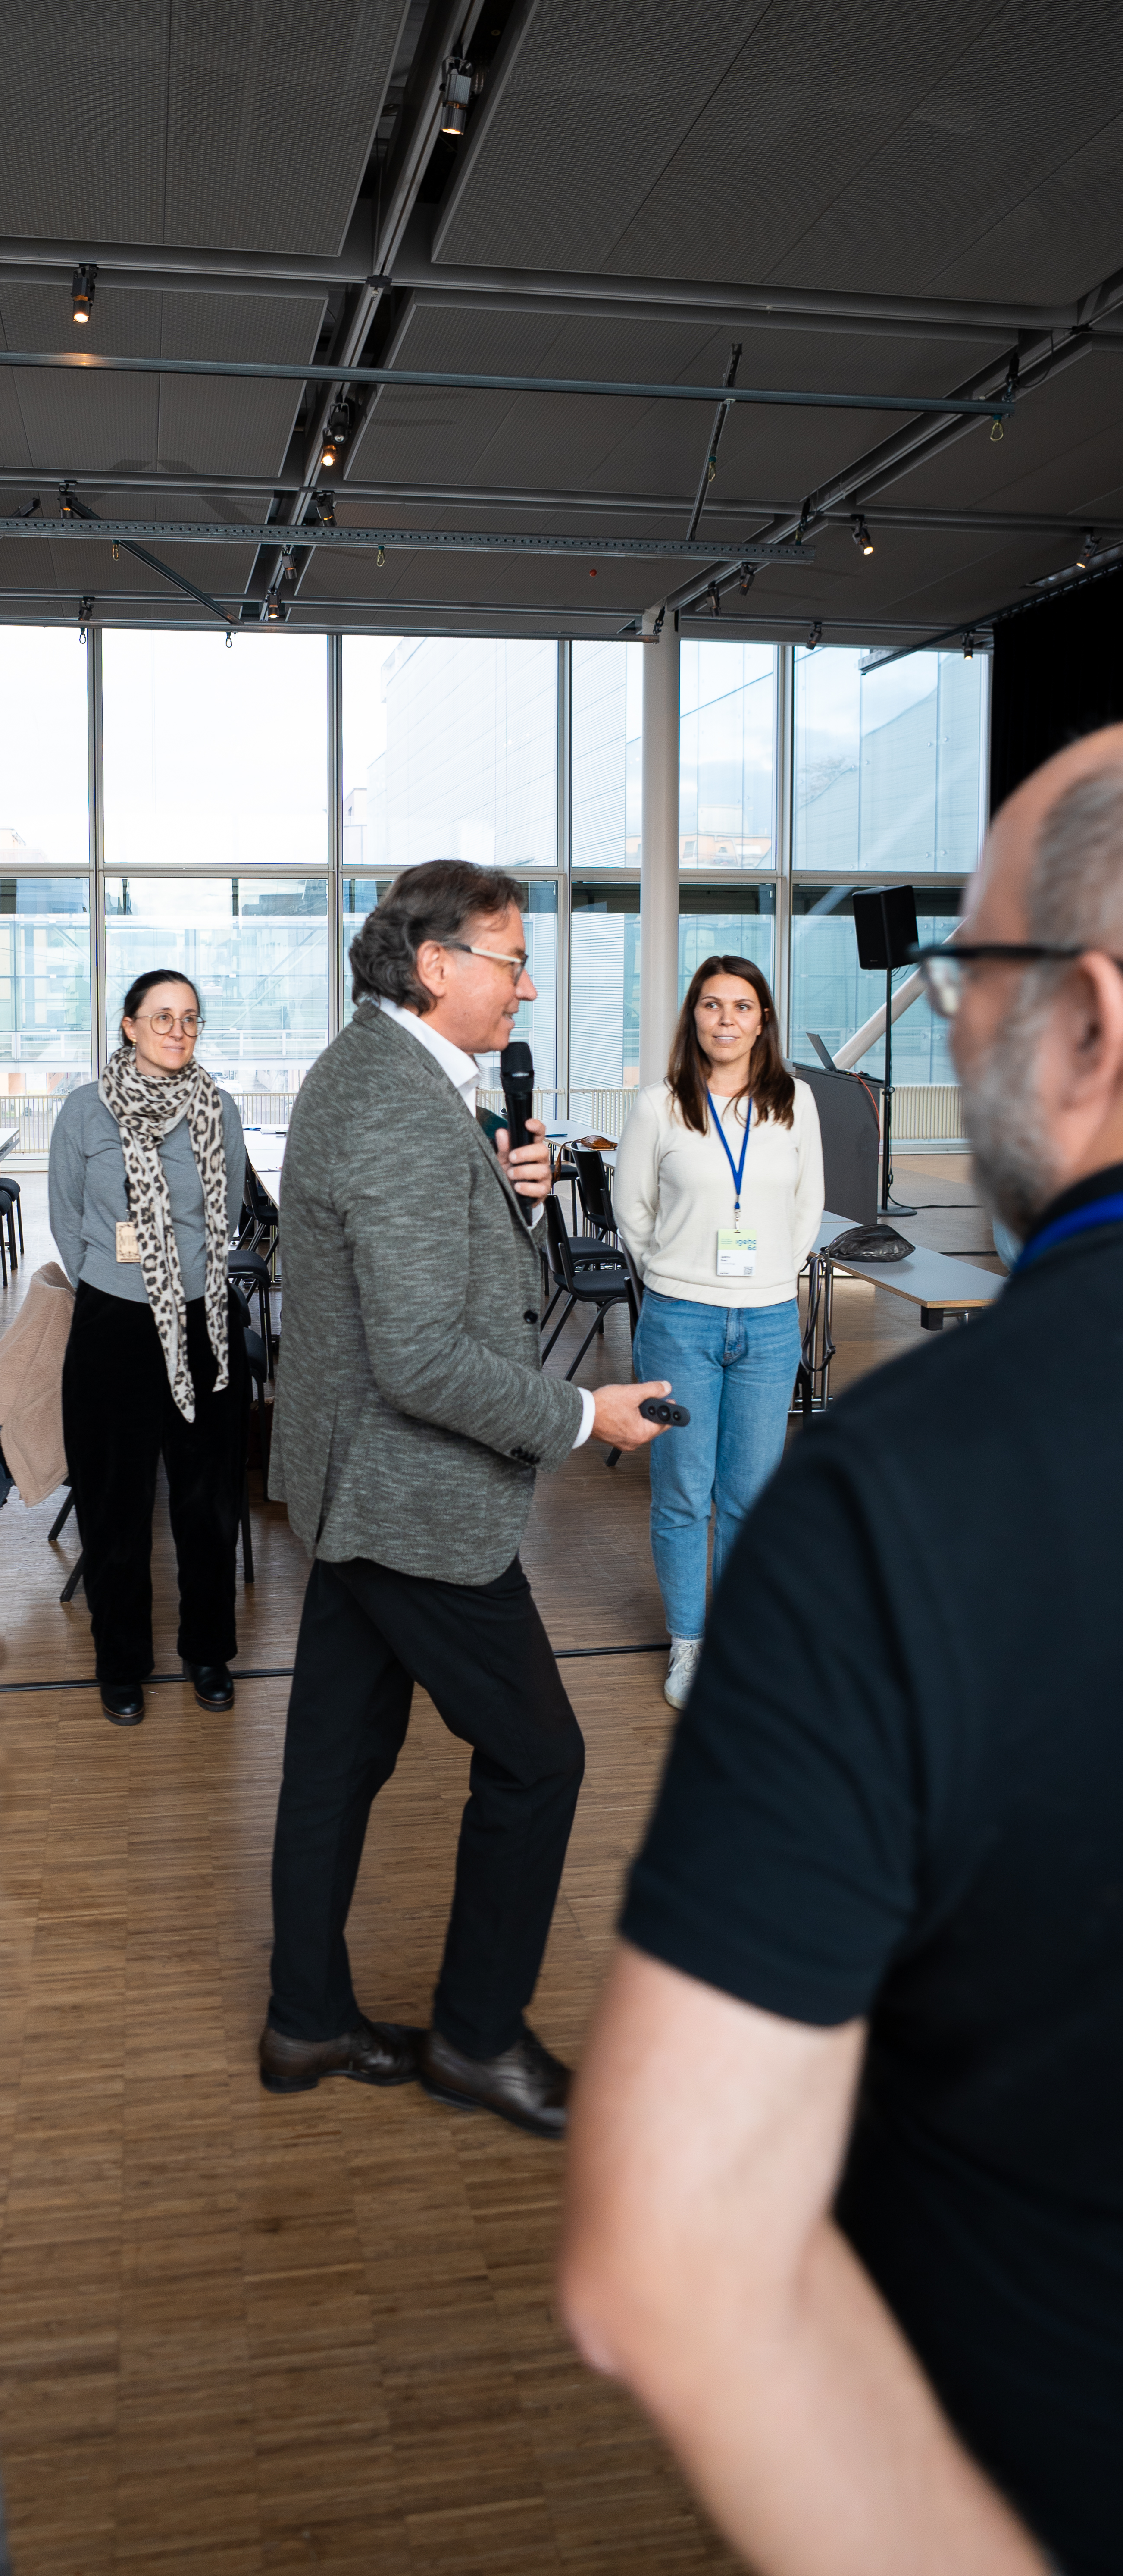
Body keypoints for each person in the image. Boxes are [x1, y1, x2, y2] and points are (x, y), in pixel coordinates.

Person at [559, 728, 1123, 2576]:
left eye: (970, 973)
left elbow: (670, 2256)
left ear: (1089, 1018)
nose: (953, 1022)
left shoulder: (907, 1494)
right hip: (693, 1304)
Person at [260, 862, 669, 2137]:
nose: (525, 982)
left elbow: (439, 1274)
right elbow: (422, 1358)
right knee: (541, 1756)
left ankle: (306, 2017)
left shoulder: (396, 1079)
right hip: (407, 1495)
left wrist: (514, 1198)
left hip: (354, 1485)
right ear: (433, 965)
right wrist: (578, 1414)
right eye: (507, 957)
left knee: (335, 1754)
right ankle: (474, 2038)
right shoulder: (389, 1099)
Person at [613, 955, 823, 1708]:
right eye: (711, 1005)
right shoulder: (660, 1106)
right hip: (680, 1322)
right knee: (681, 1493)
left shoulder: (795, 1102)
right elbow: (632, 1213)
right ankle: (690, 1643)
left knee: (749, 1495)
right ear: (693, 1017)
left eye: (742, 1006)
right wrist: (676, 1276)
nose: (726, 1019)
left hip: (769, 1323)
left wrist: (769, 1277)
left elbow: (808, 1207)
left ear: (763, 1019)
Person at [48, 970, 248, 1728]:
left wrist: (183, 1277)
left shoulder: (218, 1109)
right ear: (129, 1025)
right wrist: (118, 1277)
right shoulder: (84, 1111)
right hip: (113, 1325)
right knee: (115, 1506)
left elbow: (223, 1216)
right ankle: (121, 1663)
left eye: (190, 1018)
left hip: (203, 1320)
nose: (178, 1030)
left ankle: (209, 1653)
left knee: (207, 1503)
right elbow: (68, 1218)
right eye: (162, 1016)